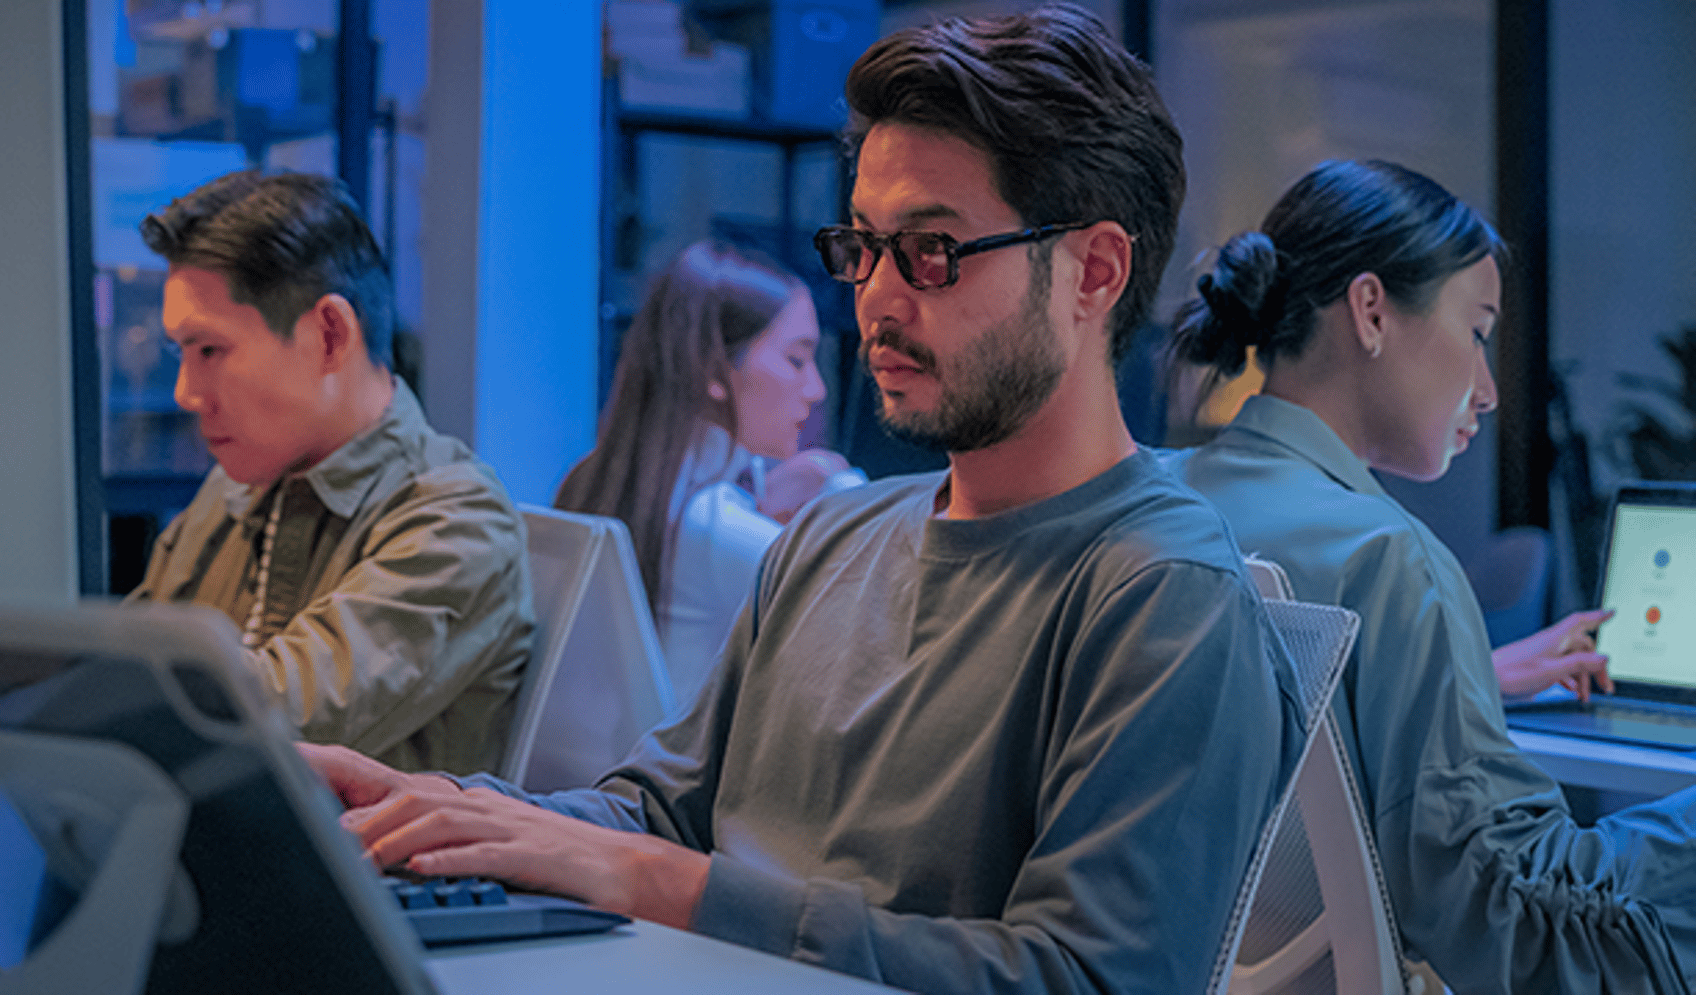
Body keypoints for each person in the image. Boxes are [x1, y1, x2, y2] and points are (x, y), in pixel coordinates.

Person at [305, 7, 1302, 993]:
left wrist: (670, 884)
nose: (873, 295)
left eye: (931, 250)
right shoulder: (834, 531)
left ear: (1095, 270)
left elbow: (1083, 978)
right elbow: (661, 813)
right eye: (861, 246)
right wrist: (447, 810)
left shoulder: (1165, 594)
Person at [1170, 158, 1696, 993]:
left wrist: (1465, 676)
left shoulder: (1158, 504)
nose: (1487, 390)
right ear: (1372, 311)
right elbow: (1512, 914)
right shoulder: (1390, 559)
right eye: (1479, 329)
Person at [129, 170, 533, 775]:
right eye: (180, 353)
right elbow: (121, 668)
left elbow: (259, 722)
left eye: (210, 350)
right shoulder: (235, 486)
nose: (187, 392)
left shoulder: (456, 518)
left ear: (328, 335)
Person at [555, 240, 862, 698]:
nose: (815, 388)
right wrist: (840, 489)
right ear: (714, 371)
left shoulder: (592, 478)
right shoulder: (714, 526)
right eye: (796, 360)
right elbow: (879, 620)